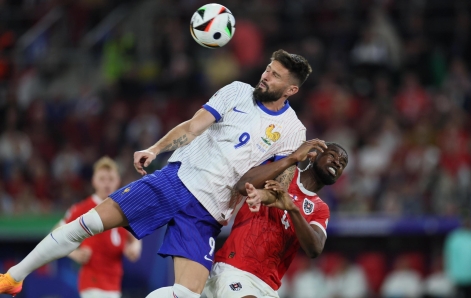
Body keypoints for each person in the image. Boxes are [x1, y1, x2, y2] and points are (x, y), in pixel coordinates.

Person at [0, 49, 313, 298]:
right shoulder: (236, 92)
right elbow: (192, 127)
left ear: (292, 88)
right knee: (88, 223)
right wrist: (155, 149)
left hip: (208, 213)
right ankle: (14, 277)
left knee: (187, 295)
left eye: (275, 75)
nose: (266, 76)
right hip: (173, 181)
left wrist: (265, 192)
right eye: (268, 69)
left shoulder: (292, 132)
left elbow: (278, 186)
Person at [200, 142, 349, 298]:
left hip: (268, 287)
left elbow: (315, 249)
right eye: (332, 155)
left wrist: (292, 209)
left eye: (343, 164)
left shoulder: (320, 209)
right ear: (313, 156)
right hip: (234, 269)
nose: (337, 163)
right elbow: (243, 185)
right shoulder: (283, 169)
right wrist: (291, 159)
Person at [56, 156, 142, 298]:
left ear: (118, 181)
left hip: (114, 283)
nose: (106, 184)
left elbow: (135, 237)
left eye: (111, 179)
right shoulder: (82, 209)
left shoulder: (124, 209)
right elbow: (56, 233)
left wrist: (135, 248)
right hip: (92, 282)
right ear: (94, 181)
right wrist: (74, 253)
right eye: (102, 179)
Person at [444, 212, 471, 298]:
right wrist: (449, 274)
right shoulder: (454, 237)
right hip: (458, 277)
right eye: (465, 220)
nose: (467, 222)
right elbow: (448, 257)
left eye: (469, 220)